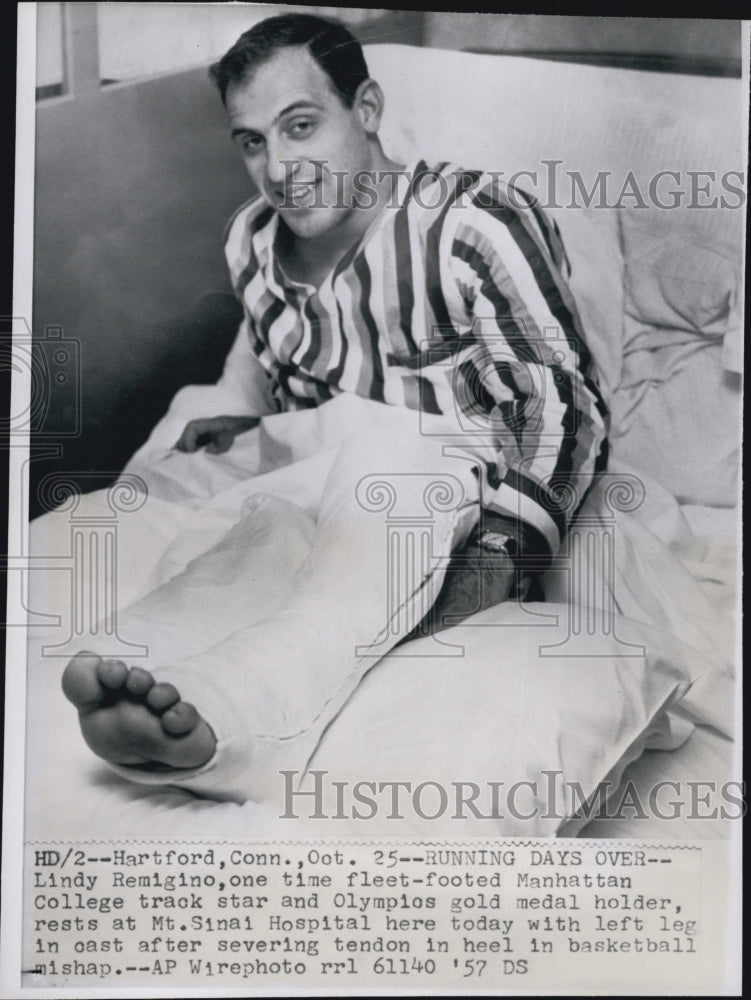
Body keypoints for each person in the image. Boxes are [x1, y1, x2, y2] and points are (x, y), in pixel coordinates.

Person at [61, 14, 608, 803]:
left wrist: (500, 553)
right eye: (252, 141)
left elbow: (564, 405)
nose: (279, 168)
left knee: (385, 476)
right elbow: (295, 390)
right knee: (235, 535)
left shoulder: (472, 223)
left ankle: (240, 712)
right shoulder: (250, 241)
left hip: (445, 478)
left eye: (301, 126)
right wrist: (250, 430)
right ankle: (158, 676)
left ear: (370, 109)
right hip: (316, 474)